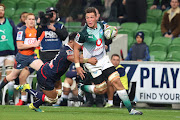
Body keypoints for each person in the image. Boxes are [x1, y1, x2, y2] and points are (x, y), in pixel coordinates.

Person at [74, 7, 143, 115]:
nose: (89, 20)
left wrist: (113, 31)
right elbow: (76, 49)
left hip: (104, 60)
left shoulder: (101, 25)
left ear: (96, 17)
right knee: (102, 89)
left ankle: (131, 109)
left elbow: (112, 28)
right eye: (87, 18)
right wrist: (78, 66)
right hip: (92, 64)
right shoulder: (82, 33)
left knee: (116, 81)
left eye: (92, 17)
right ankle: (82, 87)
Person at [16, 32, 97, 112]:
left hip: (54, 74)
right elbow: (73, 58)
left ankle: (35, 105)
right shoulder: (67, 51)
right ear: (71, 42)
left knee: (58, 93)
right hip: (46, 75)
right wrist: (88, 60)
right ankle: (27, 89)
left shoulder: (69, 49)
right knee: (52, 100)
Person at [0, 13, 44, 95]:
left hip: (31, 56)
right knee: (12, 76)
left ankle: (41, 94)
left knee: (44, 70)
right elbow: (19, 46)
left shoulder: (36, 30)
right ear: (26, 21)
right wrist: (33, 45)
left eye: (33, 19)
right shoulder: (22, 30)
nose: (31, 21)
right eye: (29, 19)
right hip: (22, 57)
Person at [0, 4, 18, 105]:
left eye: (2, 10)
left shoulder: (10, 22)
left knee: (10, 76)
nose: (0, 12)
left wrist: (16, 53)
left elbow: (15, 37)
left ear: (4, 11)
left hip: (9, 54)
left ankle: (10, 99)